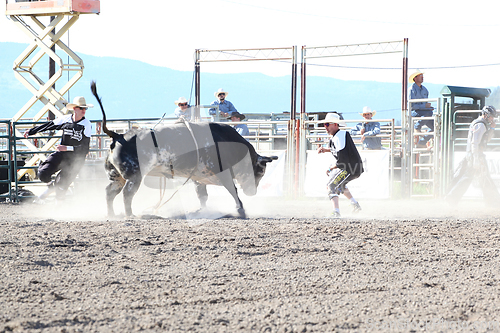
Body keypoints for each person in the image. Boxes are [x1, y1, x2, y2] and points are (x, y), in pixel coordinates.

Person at [24, 96, 93, 201]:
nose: (84, 110)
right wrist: (31, 131)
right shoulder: (65, 119)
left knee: (61, 186)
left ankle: (59, 209)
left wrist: (67, 148)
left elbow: (85, 149)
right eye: (81, 108)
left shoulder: (86, 124)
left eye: (85, 108)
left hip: (76, 160)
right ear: (75, 109)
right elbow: (49, 125)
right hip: (62, 154)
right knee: (42, 172)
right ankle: (51, 187)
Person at [445, 105, 500, 205]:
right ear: (486, 115)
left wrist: (492, 128)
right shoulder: (481, 125)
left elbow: (482, 140)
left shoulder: (480, 124)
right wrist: (476, 159)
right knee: (472, 178)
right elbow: (475, 143)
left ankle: (492, 201)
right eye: (491, 116)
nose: (492, 119)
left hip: (475, 155)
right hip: (476, 155)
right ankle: (493, 201)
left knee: (479, 177)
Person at [317, 112, 363, 217]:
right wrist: (326, 150)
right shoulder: (339, 136)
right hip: (353, 167)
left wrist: (332, 167)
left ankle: (336, 212)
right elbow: (340, 151)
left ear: (335, 124)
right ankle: (354, 204)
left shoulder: (339, 136)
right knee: (340, 185)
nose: (326, 127)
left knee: (331, 186)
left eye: (328, 124)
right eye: (325, 125)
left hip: (350, 168)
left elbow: (342, 157)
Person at [409, 70, 434, 148]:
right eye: (420, 75)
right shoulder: (411, 89)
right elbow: (412, 106)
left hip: (424, 112)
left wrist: (428, 107)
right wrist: (425, 106)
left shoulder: (425, 89)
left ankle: (422, 142)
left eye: (422, 75)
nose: (422, 77)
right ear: (415, 78)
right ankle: (417, 127)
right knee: (429, 113)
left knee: (435, 128)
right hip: (415, 111)